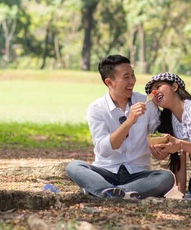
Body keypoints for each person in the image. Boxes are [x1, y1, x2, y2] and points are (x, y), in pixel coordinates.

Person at [66, 55, 175, 199]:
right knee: (74, 167)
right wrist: (129, 122)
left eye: (133, 75)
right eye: (126, 77)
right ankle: (112, 190)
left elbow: (156, 135)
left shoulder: (147, 102)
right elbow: (104, 150)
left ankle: (106, 192)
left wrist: (160, 149)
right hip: (105, 172)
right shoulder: (97, 109)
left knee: (166, 178)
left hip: (138, 174)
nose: (132, 81)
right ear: (109, 82)